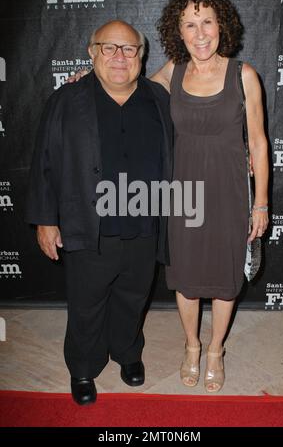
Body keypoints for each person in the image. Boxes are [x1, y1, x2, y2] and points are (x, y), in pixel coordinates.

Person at [25, 20, 173, 405]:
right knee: (86, 304)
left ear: (141, 56)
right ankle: (83, 367)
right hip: (89, 227)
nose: (120, 57)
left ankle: (127, 354)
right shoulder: (66, 99)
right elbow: (44, 161)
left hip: (145, 223)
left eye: (129, 49)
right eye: (109, 48)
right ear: (92, 53)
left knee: (133, 297)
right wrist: (45, 220)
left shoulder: (159, 99)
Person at [150, 0, 269, 392]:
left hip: (229, 192)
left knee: (223, 275)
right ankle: (191, 345)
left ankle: (215, 349)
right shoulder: (172, 71)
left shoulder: (244, 74)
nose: (199, 34)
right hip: (182, 194)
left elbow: (257, 142)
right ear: (177, 31)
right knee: (184, 276)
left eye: (207, 22)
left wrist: (262, 205)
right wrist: (89, 77)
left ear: (222, 25)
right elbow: (127, 93)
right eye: (189, 24)